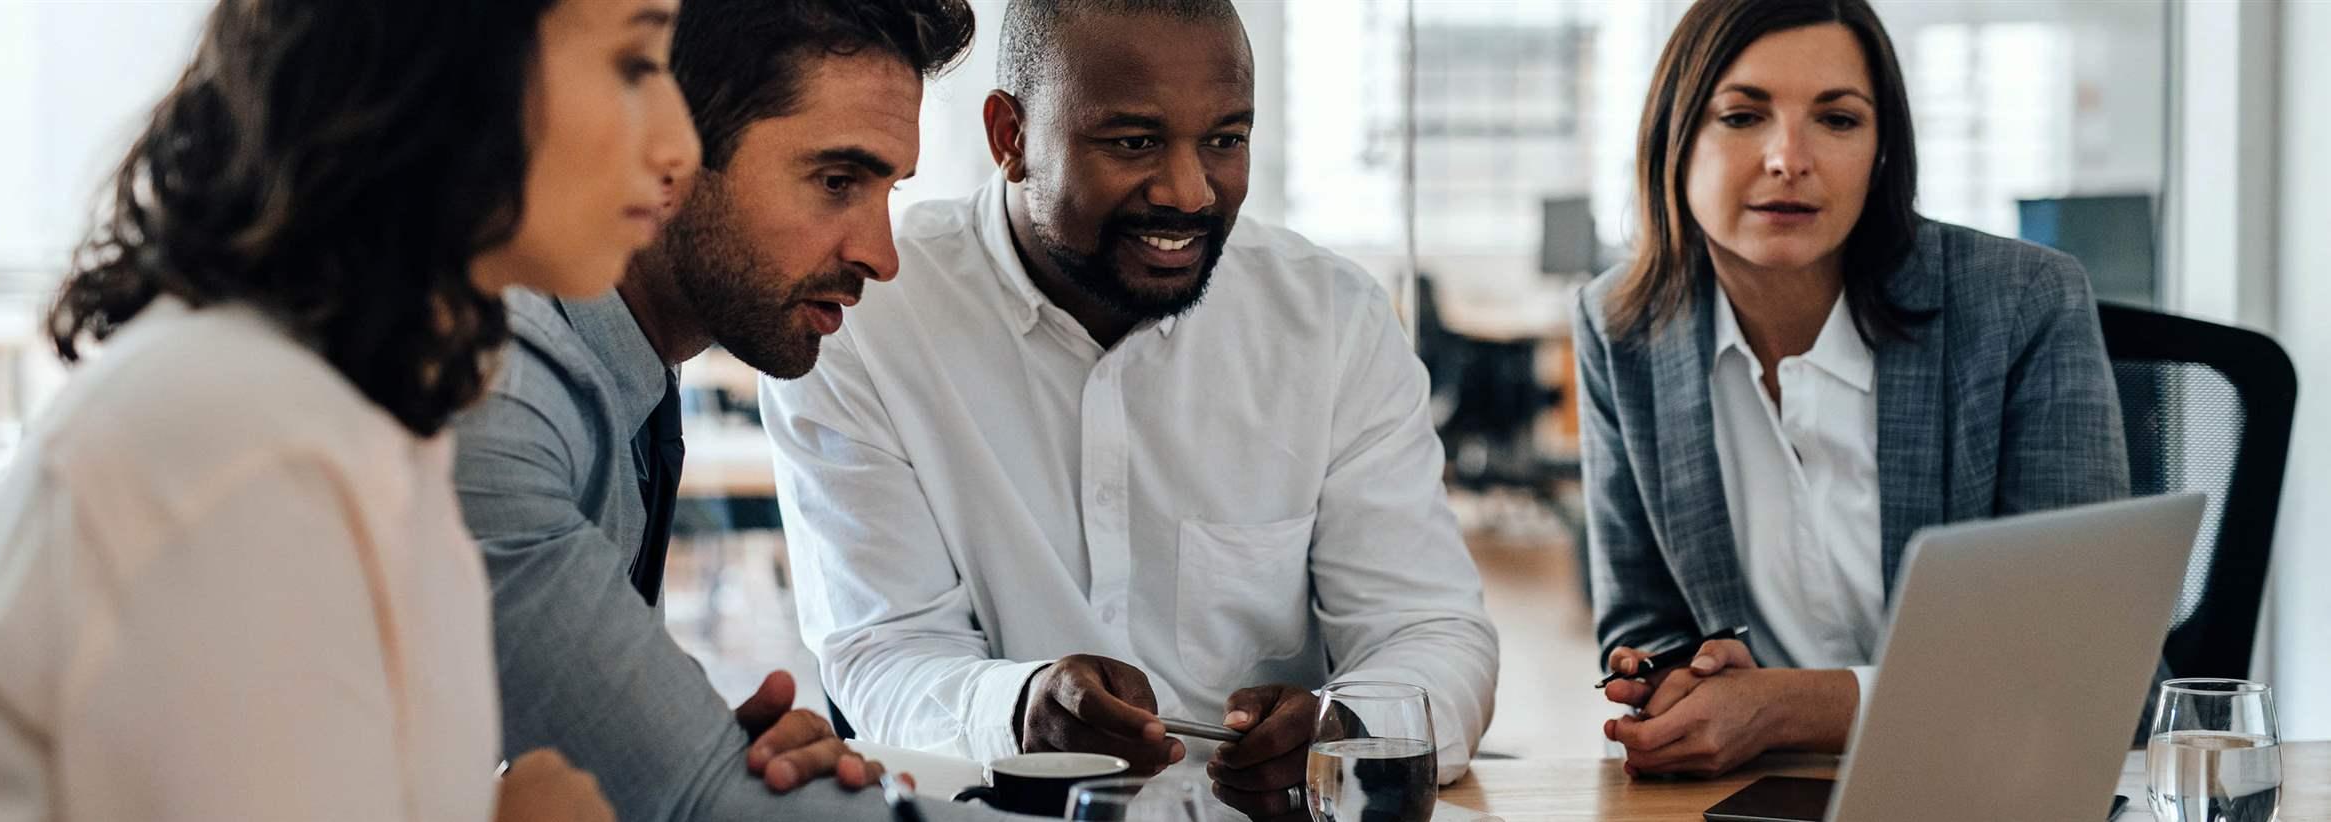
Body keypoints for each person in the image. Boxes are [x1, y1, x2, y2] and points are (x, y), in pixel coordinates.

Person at [0, 0, 700, 819]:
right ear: (445, 50)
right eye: (632, 62)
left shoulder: (365, 415)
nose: (679, 146)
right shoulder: (249, 442)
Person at [758, 1, 1501, 819]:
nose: (1189, 191)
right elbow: (883, 649)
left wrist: (1347, 729)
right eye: (1133, 142)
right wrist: (1017, 712)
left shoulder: (1332, 323)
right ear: (1010, 137)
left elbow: (1431, 630)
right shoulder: (869, 318)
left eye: (1225, 139)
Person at [445, 2, 1014, 820]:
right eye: (836, 181)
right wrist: (706, 778)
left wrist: (709, 749)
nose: (880, 256)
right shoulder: (509, 390)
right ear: (673, 144)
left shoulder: (632, 378)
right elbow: (693, 802)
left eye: (888, 189)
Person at [1575, 0, 2133, 779]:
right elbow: (1644, 616)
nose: (1788, 158)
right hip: (1769, 790)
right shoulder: (1622, 328)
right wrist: (1674, 679)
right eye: (1743, 116)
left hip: (2005, 776)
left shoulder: (2023, 301)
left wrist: (1783, 705)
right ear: (1676, 138)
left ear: (1880, 152)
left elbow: (2069, 651)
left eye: (1837, 120)